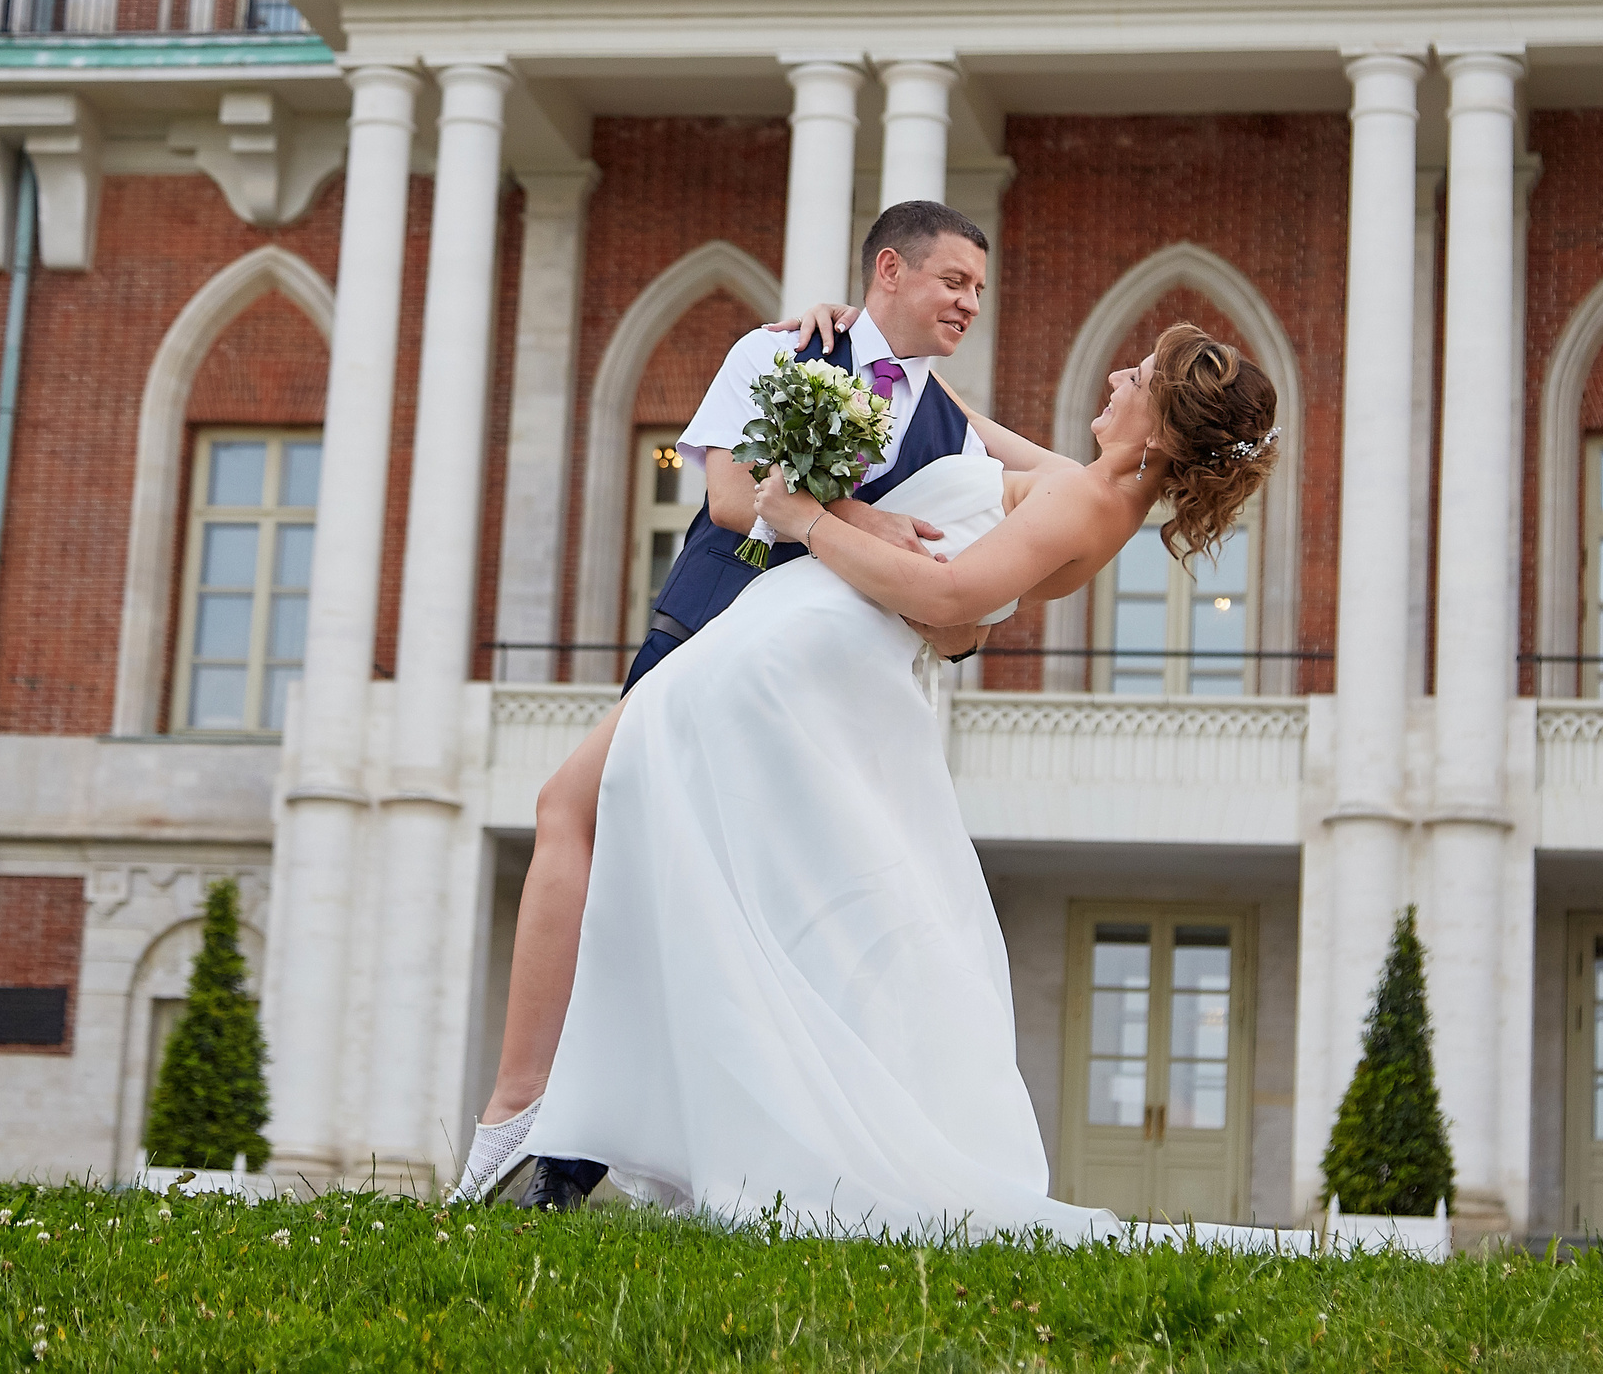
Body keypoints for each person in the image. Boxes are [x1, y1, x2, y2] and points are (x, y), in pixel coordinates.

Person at [514, 323, 1278, 1236]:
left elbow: (951, 598)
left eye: (1140, 375)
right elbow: (967, 427)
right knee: (742, 886)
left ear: (1157, 432)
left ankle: (606, 1134)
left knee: (701, 867)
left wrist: (807, 520)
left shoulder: (1090, 506)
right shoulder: (1096, 485)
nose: (1116, 373)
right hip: (802, 653)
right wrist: (868, 343)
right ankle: (615, 1133)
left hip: (792, 662)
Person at [450, 200, 1055, 1207]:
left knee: (699, 883)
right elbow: (734, 499)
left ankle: (570, 1133)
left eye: (980, 291)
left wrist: (1180, 444)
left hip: (806, 687)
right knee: (598, 832)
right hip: (705, 631)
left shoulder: (951, 419)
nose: (969, 304)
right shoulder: (784, 352)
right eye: (953, 280)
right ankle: (548, 1130)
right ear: (888, 273)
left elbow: (1068, 486)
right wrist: (861, 513)